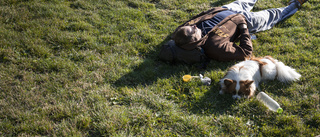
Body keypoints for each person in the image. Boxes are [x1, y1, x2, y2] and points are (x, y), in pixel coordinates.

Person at [172, 0, 308, 61]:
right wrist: (244, 27)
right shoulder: (215, 47)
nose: (194, 26)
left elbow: (198, 17)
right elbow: (246, 53)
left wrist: (215, 10)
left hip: (227, 9)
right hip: (245, 20)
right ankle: (296, 3)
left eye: (190, 26)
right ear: (195, 40)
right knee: (273, 15)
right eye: (192, 30)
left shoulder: (181, 31)